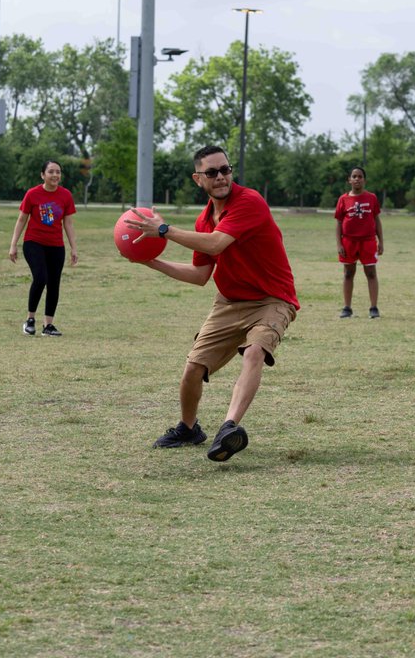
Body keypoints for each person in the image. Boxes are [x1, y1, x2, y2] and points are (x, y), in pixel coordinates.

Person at [124, 145, 299, 462]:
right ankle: (189, 428)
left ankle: (229, 427)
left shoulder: (249, 201)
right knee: (193, 367)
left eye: (225, 170)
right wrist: (151, 262)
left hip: (272, 299)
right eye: (212, 172)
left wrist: (164, 230)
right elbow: (199, 274)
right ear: (197, 179)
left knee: (255, 350)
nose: (221, 177)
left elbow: (218, 242)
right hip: (229, 302)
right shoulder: (203, 220)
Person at [8, 160, 78, 336]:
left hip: (56, 245)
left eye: (58, 172)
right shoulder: (32, 194)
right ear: (43, 175)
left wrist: (73, 248)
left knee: (54, 284)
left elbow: (68, 224)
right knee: (40, 278)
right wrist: (13, 244)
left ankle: (48, 325)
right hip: (34, 243)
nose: (55, 175)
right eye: (51, 172)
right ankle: (30, 320)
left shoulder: (66, 195)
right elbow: (22, 219)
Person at [335, 166, 384, 318]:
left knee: (371, 273)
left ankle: (374, 308)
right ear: (349, 180)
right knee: (348, 273)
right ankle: (347, 308)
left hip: (368, 241)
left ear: (364, 180)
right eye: (354, 176)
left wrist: (381, 241)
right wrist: (339, 244)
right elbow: (338, 223)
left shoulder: (371, 198)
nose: (357, 179)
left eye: (360, 176)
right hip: (349, 241)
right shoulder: (343, 199)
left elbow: (376, 220)